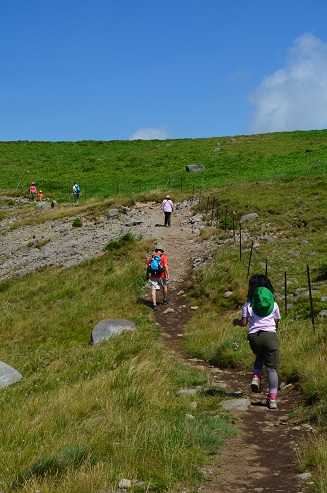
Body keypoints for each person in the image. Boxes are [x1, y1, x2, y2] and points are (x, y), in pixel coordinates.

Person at [233, 274, 281, 409]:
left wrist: (236, 322)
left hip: (253, 337)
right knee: (272, 369)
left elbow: (243, 323)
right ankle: (272, 399)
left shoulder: (248, 304)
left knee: (260, 356)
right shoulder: (274, 305)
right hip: (270, 337)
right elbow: (276, 325)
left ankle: (256, 376)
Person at [146, 246, 170, 310]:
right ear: (161, 251)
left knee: (153, 289)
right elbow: (165, 266)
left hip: (153, 276)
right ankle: (164, 300)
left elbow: (148, 267)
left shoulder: (151, 257)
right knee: (164, 286)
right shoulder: (163, 257)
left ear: (156, 251)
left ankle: (154, 304)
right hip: (162, 276)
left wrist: (147, 275)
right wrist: (168, 274)